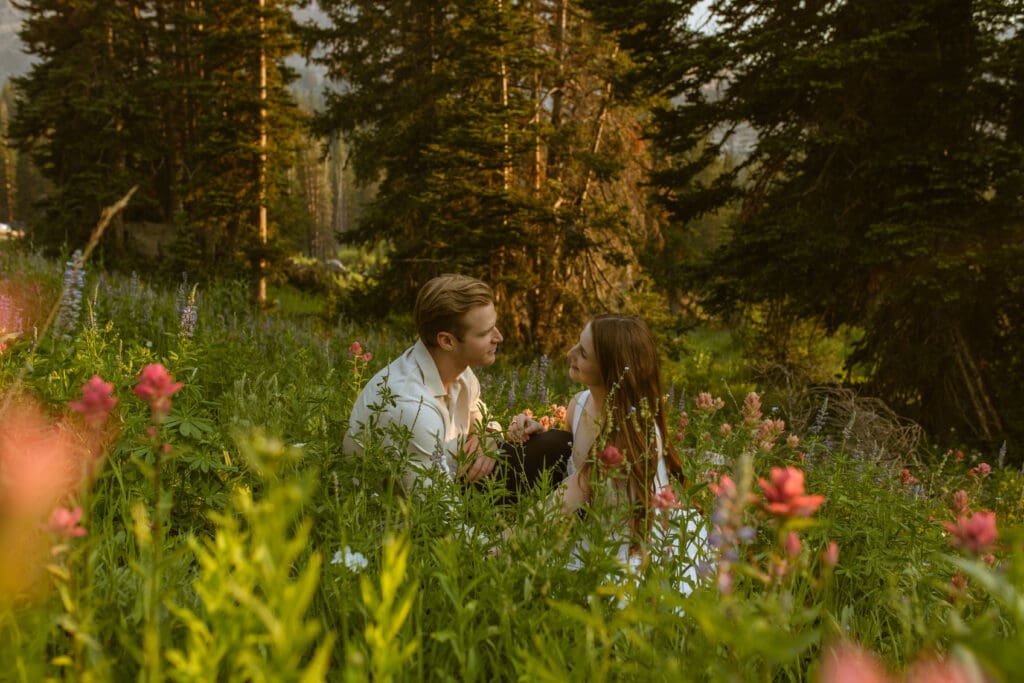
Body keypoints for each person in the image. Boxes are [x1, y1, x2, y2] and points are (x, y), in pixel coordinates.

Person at [343, 274, 570, 496]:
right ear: (447, 341)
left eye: (495, 326)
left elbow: (482, 419)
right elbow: (439, 514)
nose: (499, 337)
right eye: (485, 333)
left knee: (558, 443)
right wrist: (513, 535)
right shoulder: (413, 408)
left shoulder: (460, 372)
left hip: (453, 476)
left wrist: (487, 437)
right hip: (405, 511)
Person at [523, 313, 705, 576]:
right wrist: (541, 435)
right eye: (577, 343)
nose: (569, 354)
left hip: (629, 539)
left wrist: (505, 543)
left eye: (583, 354)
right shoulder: (579, 404)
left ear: (610, 370)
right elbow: (570, 458)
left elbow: (570, 496)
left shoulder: (628, 431)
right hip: (588, 524)